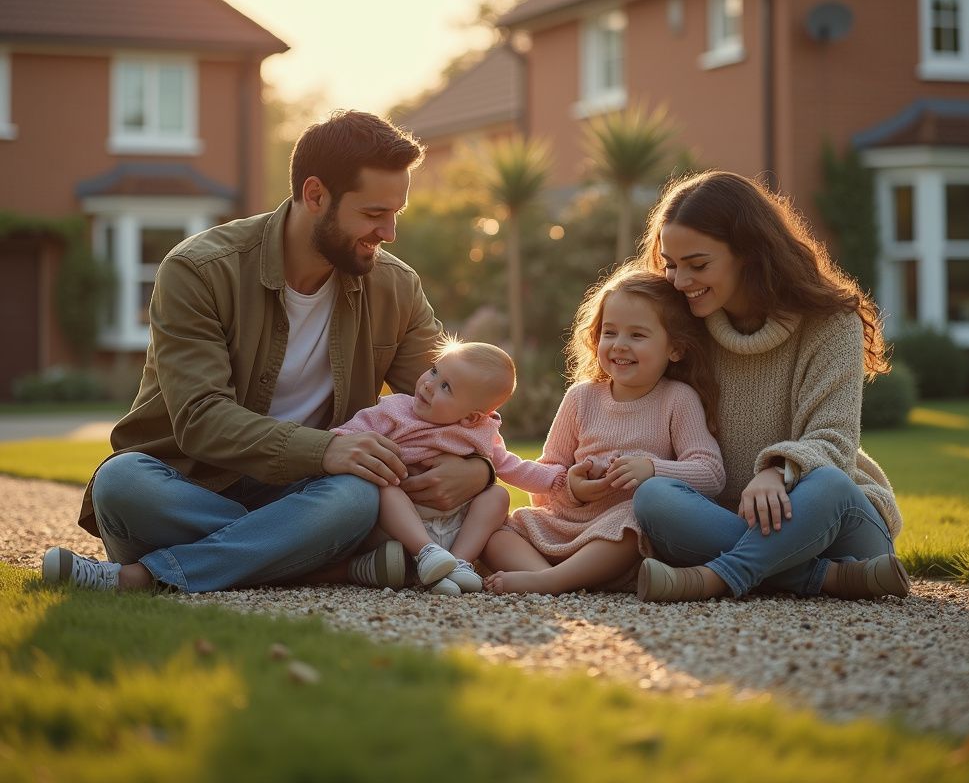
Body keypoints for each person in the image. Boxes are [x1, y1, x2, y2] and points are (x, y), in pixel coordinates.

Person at [41, 111, 492, 594]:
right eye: (374, 214)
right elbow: (201, 418)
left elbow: (454, 394)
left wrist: (478, 468)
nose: (389, 233)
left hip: (311, 493)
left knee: (357, 497)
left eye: (395, 213)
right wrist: (326, 451)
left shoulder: (395, 287)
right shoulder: (198, 270)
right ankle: (330, 566)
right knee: (122, 483)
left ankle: (146, 577)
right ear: (315, 195)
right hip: (190, 484)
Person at [631, 169, 909, 603]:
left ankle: (715, 578)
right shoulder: (685, 328)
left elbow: (834, 441)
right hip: (731, 523)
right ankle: (825, 579)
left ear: (748, 252)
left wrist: (779, 470)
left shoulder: (831, 323)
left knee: (831, 482)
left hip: (832, 522)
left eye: (698, 265)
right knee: (653, 496)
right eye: (671, 265)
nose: (681, 282)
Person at [483, 267, 725, 596]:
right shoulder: (581, 397)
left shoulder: (677, 399)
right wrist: (573, 488)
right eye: (610, 333)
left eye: (637, 336)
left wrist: (652, 469)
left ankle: (553, 582)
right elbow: (542, 482)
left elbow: (712, 473)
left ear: (675, 348)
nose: (619, 345)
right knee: (497, 533)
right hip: (565, 523)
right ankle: (549, 576)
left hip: (618, 536)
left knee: (633, 520)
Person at [333, 338, 567, 596]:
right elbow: (348, 435)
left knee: (497, 496)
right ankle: (426, 553)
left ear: (471, 417)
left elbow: (511, 465)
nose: (429, 385)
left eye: (446, 387)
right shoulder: (393, 411)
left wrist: (555, 479)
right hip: (403, 522)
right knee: (385, 488)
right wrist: (333, 443)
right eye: (434, 370)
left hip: (458, 524)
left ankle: (458, 564)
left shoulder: (481, 431)